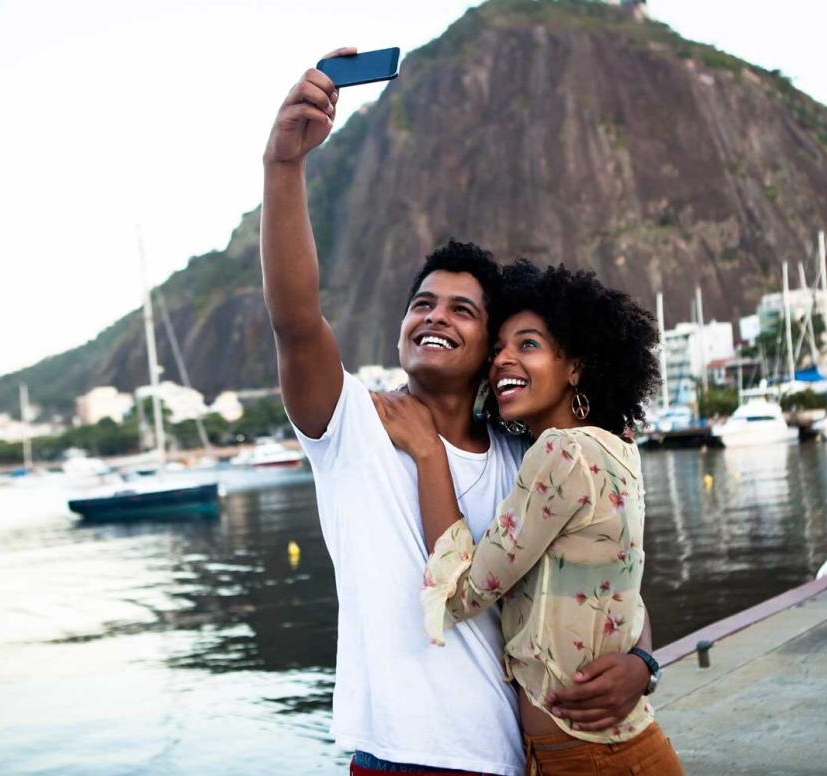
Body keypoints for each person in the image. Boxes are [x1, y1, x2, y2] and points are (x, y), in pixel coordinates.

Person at [261, 54, 653, 775]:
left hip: (522, 757)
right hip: (400, 759)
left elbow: (605, 571)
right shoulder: (351, 423)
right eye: (422, 303)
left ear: (492, 349)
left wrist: (641, 660)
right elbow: (295, 320)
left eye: (463, 310)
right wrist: (284, 166)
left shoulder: (528, 453)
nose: (435, 317)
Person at [372, 262, 684, 774]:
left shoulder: (559, 454)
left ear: (576, 366)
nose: (502, 361)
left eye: (529, 345)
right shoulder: (617, 449)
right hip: (597, 749)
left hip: (591, 758)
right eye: (497, 349)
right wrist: (643, 662)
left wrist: (428, 452)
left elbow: (460, 594)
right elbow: (617, 592)